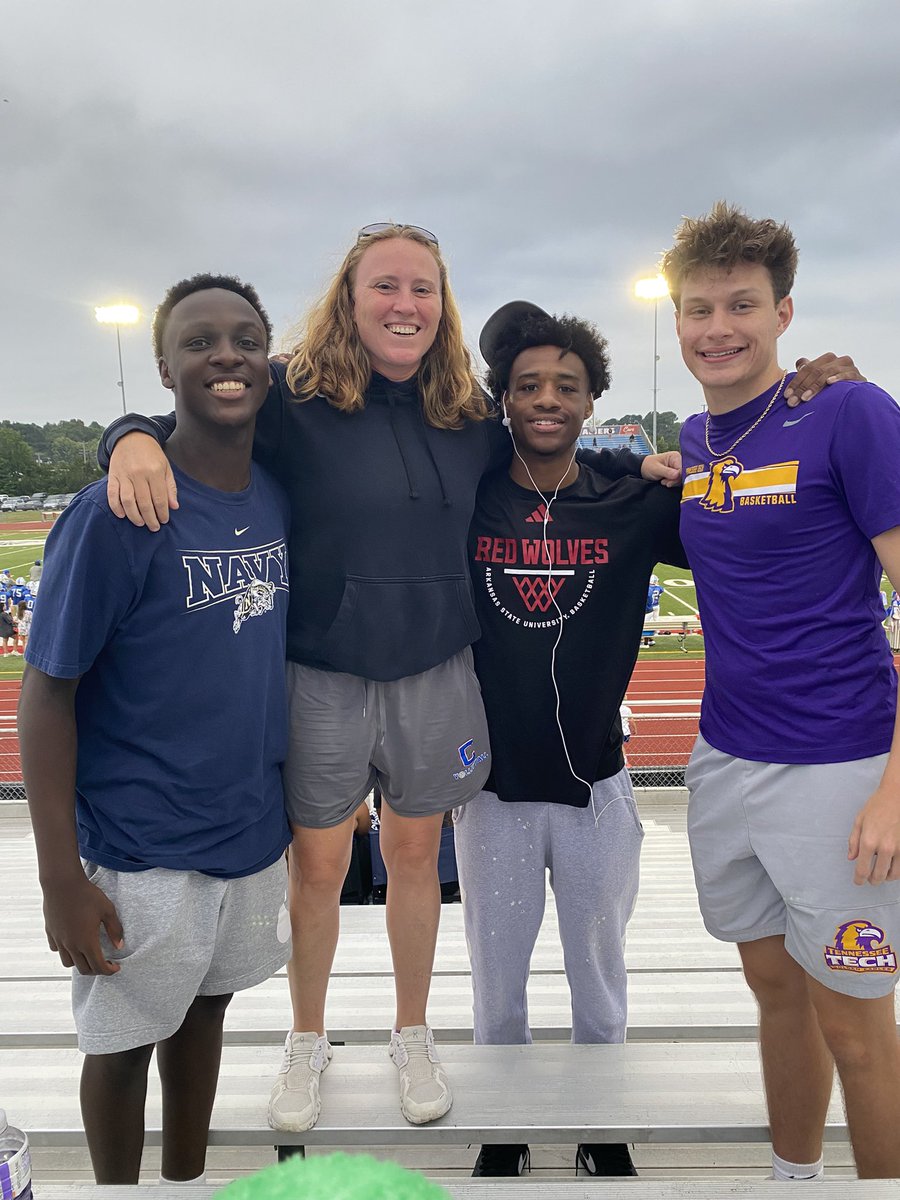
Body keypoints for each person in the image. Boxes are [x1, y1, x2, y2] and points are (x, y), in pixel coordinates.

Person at [99, 224, 683, 1132]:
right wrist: (128, 437)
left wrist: (630, 460)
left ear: (441, 304)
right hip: (323, 671)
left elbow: (548, 442)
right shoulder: (291, 396)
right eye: (385, 285)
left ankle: (413, 1033)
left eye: (422, 288)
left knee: (416, 859)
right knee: (318, 869)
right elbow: (197, 416)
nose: (405, 304)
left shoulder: (467, 411)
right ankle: (307, 1039)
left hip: (435, 669)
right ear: (349, 295)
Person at [17, 275, 292, 1184]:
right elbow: (46, 696)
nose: (226, 356)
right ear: (165, 368)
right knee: (123, 1040)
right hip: (142, 845)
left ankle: (185, 1181)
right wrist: (59, 877)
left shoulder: (274, 494)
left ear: (268, 359)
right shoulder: (114, 514)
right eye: (199, 341)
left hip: (248, 830)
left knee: (206, 1011)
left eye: (245, 339)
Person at [663, 201, 900, 1181]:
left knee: (858, 1026)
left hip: (839, 766)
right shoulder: (696, 440)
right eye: (699, 309)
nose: (718, 328)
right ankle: (793, 1180)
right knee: (774, 990)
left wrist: (894, 790)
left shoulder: (851, 412)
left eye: (741, 306)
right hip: (726, 756)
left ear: (783, 313)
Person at [458, 301, 688, 1177]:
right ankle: (504, 1123)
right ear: (503, 400)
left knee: (599, 967)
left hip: (598, 779)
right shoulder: (470, 492)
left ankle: (601, 1121)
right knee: (496, 971)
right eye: (528, 386)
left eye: (567, 385)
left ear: (593, 401)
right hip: (492, 787)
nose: (547, 399)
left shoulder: (629, 500)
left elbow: (746, 522)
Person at [642, 573, 664, 646]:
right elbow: (661, 591)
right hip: (656, 605)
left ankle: (646, 639)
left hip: (649, 607)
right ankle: (655, 633)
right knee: (655, 620)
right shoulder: (659, 588)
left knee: (646, 623)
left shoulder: (648, 588)